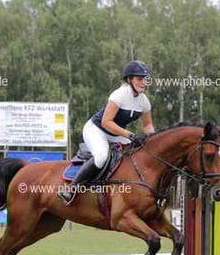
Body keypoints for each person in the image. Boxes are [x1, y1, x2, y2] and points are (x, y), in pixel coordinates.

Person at [59, 60, 156, 205]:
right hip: (96, 130)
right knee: (101, 157)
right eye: (139, 79)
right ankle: (71, 189)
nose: (143, 83)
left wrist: (152, 141)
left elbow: (147, 125)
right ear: (129, 79)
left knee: (134, 155)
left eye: (145, 79)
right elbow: (106, 122)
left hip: (116, 134)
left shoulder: (144, 102)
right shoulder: (119, 95)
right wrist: (130, 135)